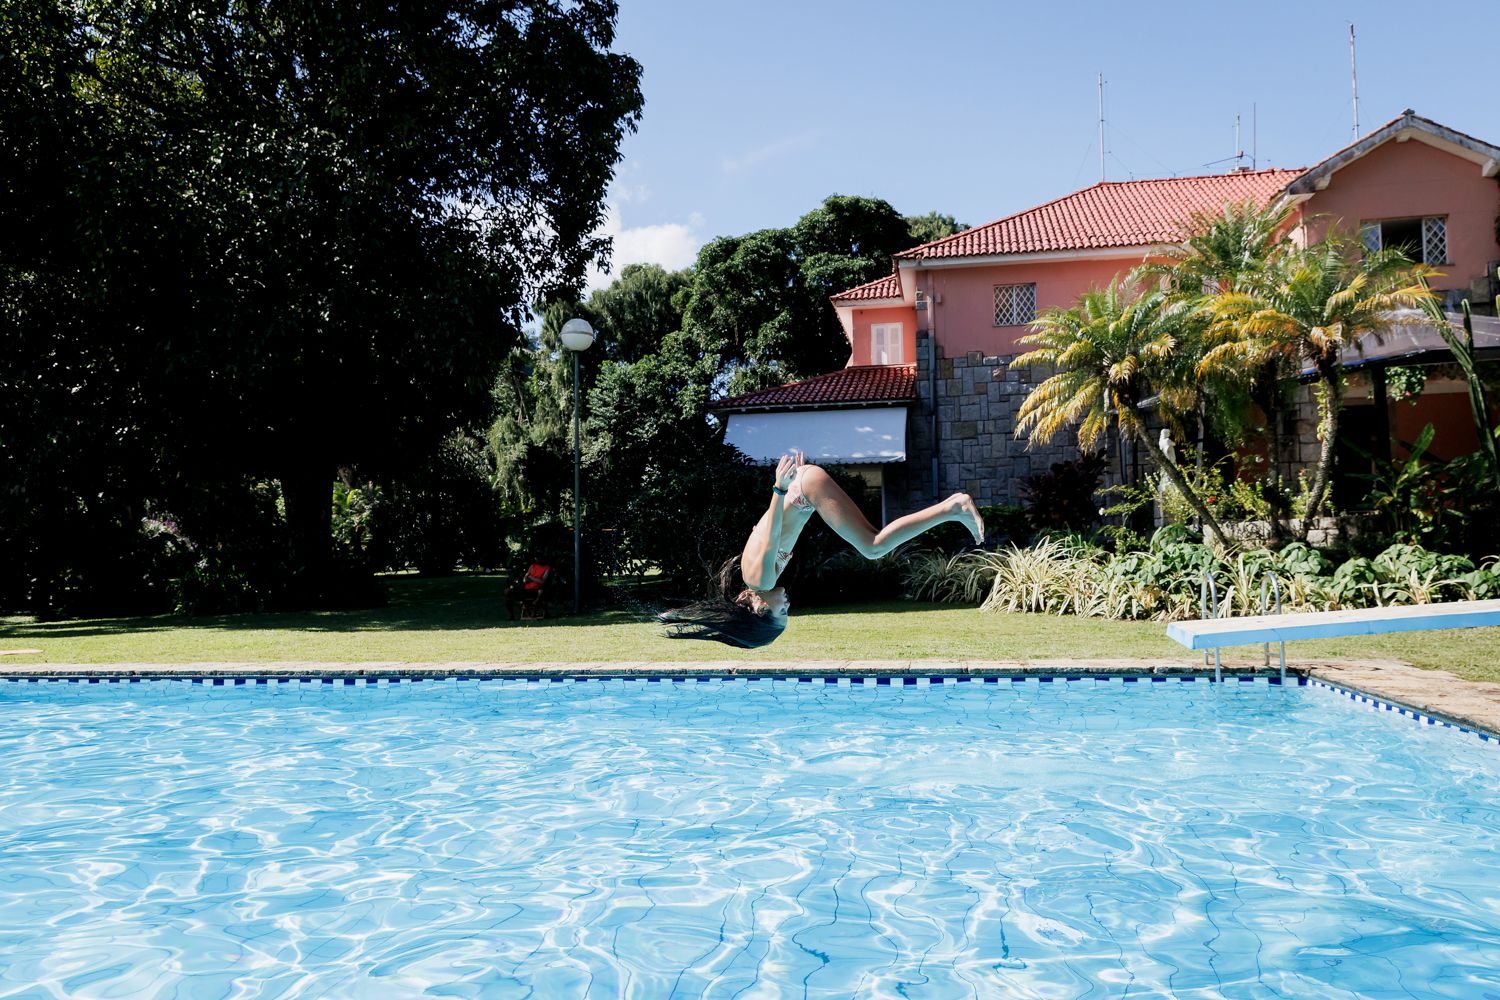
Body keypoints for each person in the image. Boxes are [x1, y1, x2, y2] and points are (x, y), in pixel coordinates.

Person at [659, 450, 986, 648]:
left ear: (759, 608)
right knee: (872, 541)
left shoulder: (758, 579)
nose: (788, 605)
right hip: (803, 491)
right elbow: (767, 529)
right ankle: (952, 510)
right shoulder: (760, 581)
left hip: (803, 491)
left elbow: (772, 533)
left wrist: (781, 488)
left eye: (782, 612)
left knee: (873, 547)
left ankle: (953, 508)